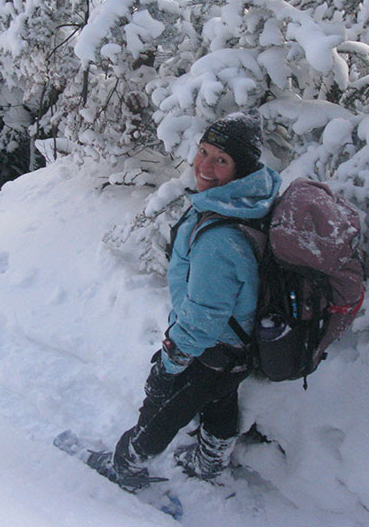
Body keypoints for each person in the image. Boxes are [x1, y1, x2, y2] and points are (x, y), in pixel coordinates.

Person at [87, 112, 281, 490]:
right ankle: (209, 463)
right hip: (239, 344)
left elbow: (205, 317)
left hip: (212, 346)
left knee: (162, 408)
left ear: (240, 169)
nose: (204, 165)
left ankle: (126, 465)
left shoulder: (220, 240)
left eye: (220, 160)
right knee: (220, 400)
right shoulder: (245, 202)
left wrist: (171, 360)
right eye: (204, 151)